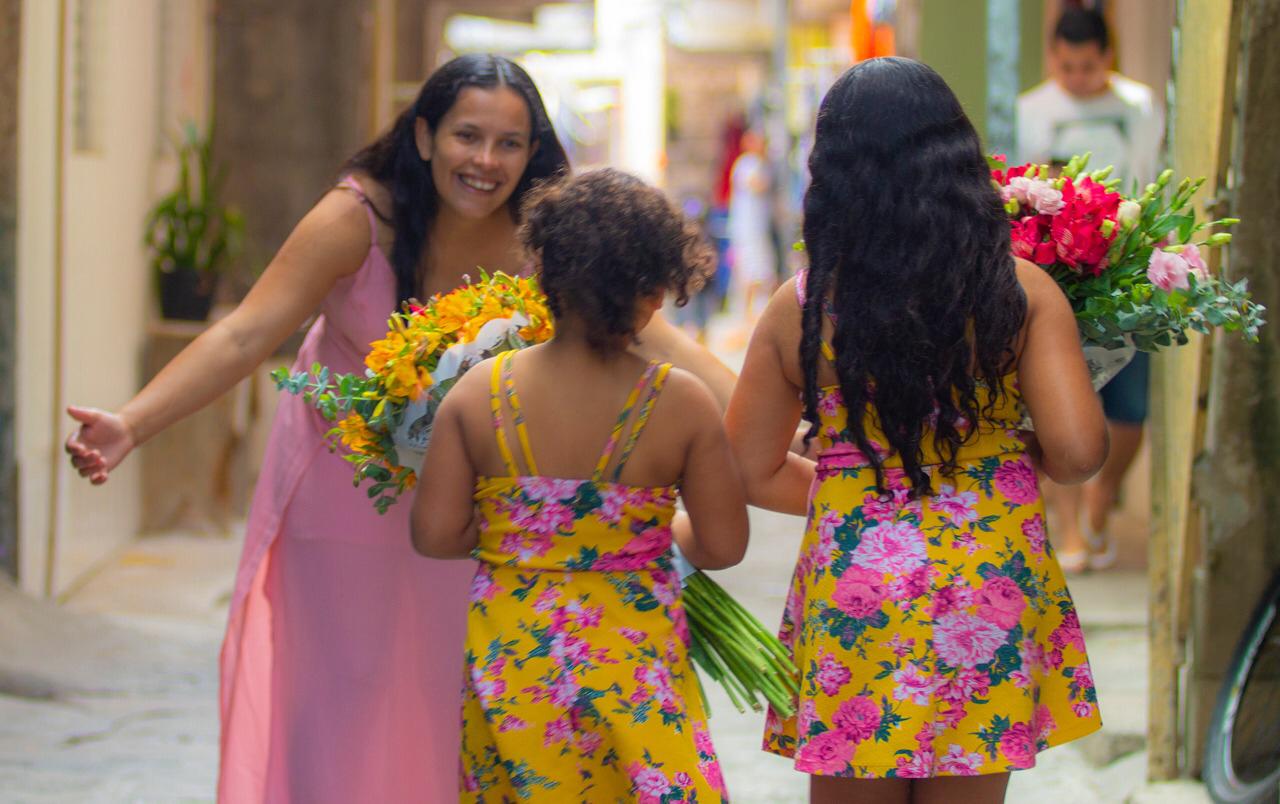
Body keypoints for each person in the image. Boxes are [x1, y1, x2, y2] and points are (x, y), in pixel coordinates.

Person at [62, 54, 736, 802]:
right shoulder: (358, 219)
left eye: (509, 143)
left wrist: (780, 430)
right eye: (466, 136)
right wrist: (131, 423)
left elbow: (664, 344)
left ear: (533, 151)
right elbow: (246, 335)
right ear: (423, 136)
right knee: (345, 689)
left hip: (472, 513)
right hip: (345, 492)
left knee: (448, 689)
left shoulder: (541, 235)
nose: (485, 161)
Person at [726, 58, 1108, 803]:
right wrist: (997, 460)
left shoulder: (798, 309)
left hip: (855, 580)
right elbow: (1078, 451)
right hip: (986, 578)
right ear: (959, 158)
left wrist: (855, 493)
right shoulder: (1021, 290)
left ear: (832, 172)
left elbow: (747, 466)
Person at [411, 168, 748, 800]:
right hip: (633, 657)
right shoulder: (682, 403)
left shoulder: (479, 391)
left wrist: (530, 533)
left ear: (545, 271)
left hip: (513, 657)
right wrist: (634, 533)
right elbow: (723, 545)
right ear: (655, 291)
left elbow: (435, 533)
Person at [1017, 5, 1164, 571]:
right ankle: (1071, 527)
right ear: (1053, 58)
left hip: (1128, 266)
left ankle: (1103, 501)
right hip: (1058, 265)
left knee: (1129, 407)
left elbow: (1149, 183)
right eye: (1067, 67)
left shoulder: (1139, 106)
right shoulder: (1031, 108)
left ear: (1108, 58)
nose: (1077, 77)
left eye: (1088, 67)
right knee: (1060, 397)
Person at [727, 128, 777, 339]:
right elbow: (757, 185)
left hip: (756, 228)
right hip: (748, 230)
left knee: (762, 273)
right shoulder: (748, 164)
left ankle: (755, 318)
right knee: (753, 273)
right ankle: (748, 321)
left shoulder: (756, 164)